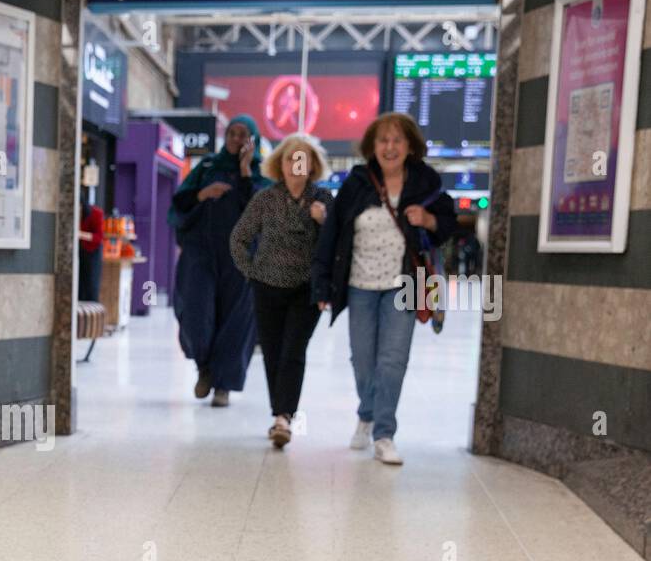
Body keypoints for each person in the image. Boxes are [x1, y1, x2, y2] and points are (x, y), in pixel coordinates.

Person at [311, 112, 456, 466]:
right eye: (382, 141)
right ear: (372, 147)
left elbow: (448, 225)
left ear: (409, 147)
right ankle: (367, 411)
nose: (389, 147)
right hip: (359, 284)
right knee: (362, 359)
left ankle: (384, 433)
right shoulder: (357, 184)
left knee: (393, 359)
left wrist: (429, 219)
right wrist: (322, 286)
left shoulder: (426, 183)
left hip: (404, 284)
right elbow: (332, 235)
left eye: (397, 140)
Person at [229, 133, 332, 449]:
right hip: (267, 290)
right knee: (273, 353)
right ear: (281, 164)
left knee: (293, 351)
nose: (296, 164)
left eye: (303, 158)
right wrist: (253, 273)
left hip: (306, 292)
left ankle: (283, 417)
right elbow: (239, 239)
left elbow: (337, 246)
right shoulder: (265, 199)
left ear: (313, 165)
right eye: (290, 158)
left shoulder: (324, 200)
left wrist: (323, 221)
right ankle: (280, 414)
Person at [168, 115, 268, 407]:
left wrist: (246, 172)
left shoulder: (261, 175)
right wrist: (203, 193)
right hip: (201, 253)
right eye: (233, 133)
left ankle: (223, 384)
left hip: (242, 259)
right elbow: (180, 203)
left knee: (235, 321)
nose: (237, 139)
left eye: (244, 135)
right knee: (196, 312)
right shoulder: (209, 166)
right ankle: (204, 369)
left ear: (254, 140)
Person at [77, 188, 104, 303]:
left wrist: (80, 234)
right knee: (79, 284)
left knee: (91, 284)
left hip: (92, 251)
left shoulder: (96, 213)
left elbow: (99, 237)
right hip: (79, 251)